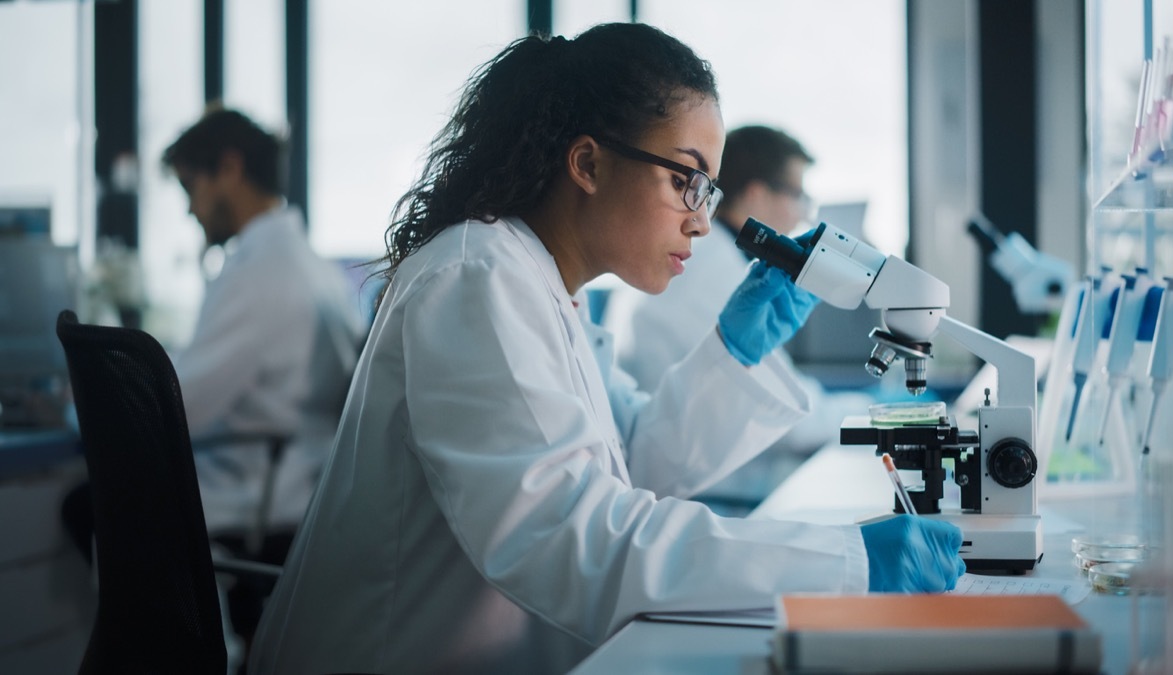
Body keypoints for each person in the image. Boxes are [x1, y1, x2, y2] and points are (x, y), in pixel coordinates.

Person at [249, 24, 965, 675]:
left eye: (709, 192)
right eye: (686, 180)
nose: (700, 221)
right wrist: (841, 559)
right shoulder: (477, 275)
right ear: (588, 163)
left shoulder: (549, 287)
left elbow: (630, 465)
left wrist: (733, 352)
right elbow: (568, 536)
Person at [603, 125, 874, 506]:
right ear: (757, 194)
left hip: (689, 465)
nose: (803, 212)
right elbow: (794, 425)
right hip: (713, 489)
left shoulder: (714, 257)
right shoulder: (708, 263)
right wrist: (876, 412)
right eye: (797, 195)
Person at [160, 108, 365, 539]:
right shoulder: (313, 265)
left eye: (190, 186)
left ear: (230, 169)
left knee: (87, 504)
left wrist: (74, 406)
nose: (189, 209)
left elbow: (176, 406)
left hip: (253, 498)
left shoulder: (256, 272)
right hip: (304, 486)